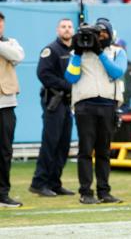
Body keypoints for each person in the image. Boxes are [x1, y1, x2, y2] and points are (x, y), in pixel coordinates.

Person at [64, 18, 126, 204]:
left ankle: (104, 192)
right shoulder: (79, 52)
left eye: (102, 34)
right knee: (85, 150)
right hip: (85, 106)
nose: (98, 38)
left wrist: (100, 53)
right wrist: (76, 53)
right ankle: (86, 193)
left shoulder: (117, 52)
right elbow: (71, 77)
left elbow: (116, 72)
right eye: (95, 35)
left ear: (110, 34)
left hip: (108, 106)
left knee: (103, 152)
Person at [29, 18, 75, 197]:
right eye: (63, 27)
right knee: (50, 144)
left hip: (68, 103)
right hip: (53, 102)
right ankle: (39, 183)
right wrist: (66, 85)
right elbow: (43, 74)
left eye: (69, 27)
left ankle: (55, 183)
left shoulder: (76, 51)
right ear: (58, 30)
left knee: (63, 145)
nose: (67, 30)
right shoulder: (51, 50)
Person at [0, 11, 25, 208]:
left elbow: (17, 56)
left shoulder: (11, 42)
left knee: (5, 151)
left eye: (1, 24)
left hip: (6, 103)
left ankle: (3, 194)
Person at [114, 39, 131, 110]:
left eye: (121, 47)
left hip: (126, 104)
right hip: (113, 102)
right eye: (117, 47)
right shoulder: (111, 64)